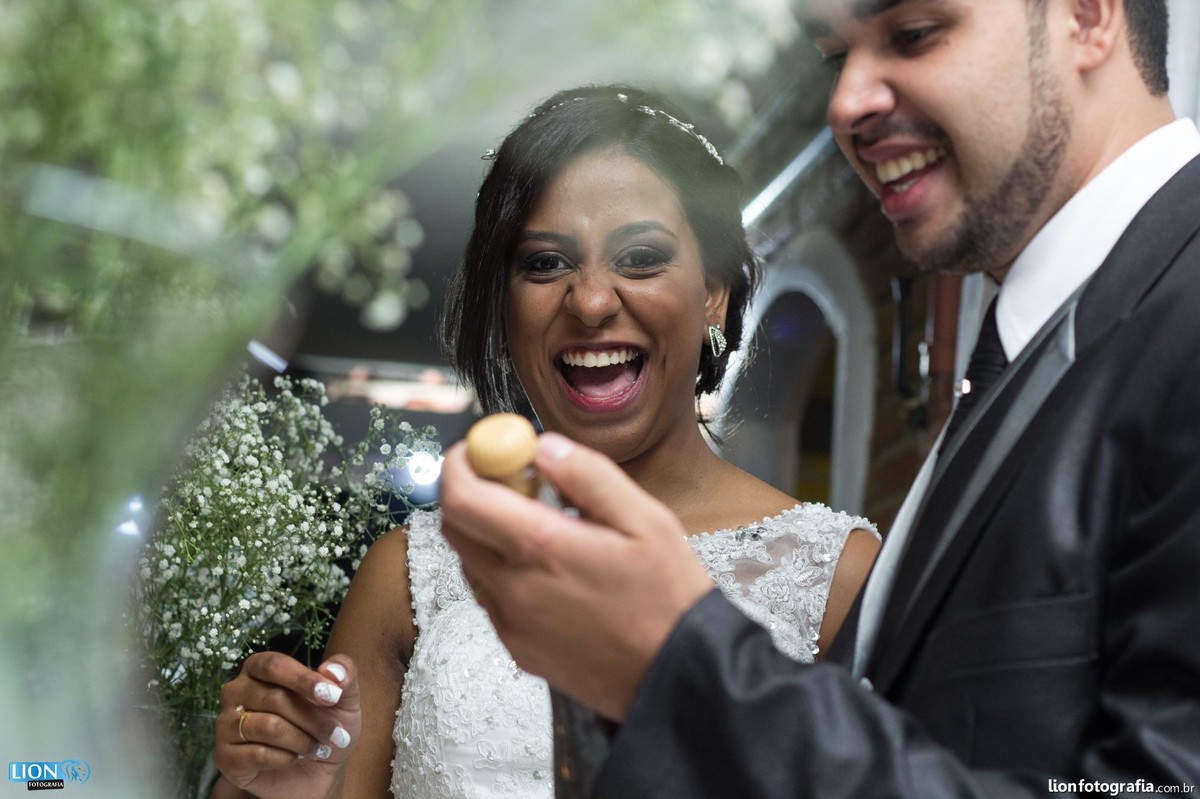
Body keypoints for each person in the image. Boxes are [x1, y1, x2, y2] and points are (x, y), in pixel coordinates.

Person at [438, 0, 1200, 795]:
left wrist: (677, 660)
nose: (844, 106)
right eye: (837, 58)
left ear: (1086, 16)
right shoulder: (1029, 357)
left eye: (912, 34)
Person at [210, 84, 880, 798]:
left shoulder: (838, 578)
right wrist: (272, 785)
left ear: (712, 292)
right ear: (506, 305)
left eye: (641, 256)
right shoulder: (410, 575)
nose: (590, 302)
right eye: (545, 263)